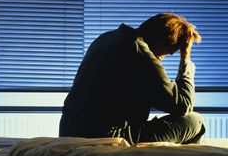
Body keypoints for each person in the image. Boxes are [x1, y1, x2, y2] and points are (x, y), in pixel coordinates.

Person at [59, 13, 206, 144]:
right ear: (159, 41)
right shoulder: (139, 53)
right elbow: (183, 105)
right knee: (195, 121)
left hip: (68, 130)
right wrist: (185, 59)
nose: (161, 59)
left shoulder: (106, 38)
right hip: (106, 135)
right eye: (167, 53)